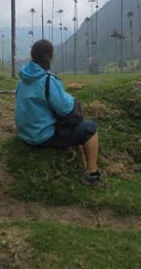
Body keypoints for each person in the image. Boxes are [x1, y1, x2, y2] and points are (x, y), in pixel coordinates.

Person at [15, 39, 102, 187]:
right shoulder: (47, 80)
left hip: (25, 133)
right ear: (47, 57)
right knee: (90, 128)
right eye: (52, 54)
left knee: (75, 123)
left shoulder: (23, 79)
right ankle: (92, 175)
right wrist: (74, 102)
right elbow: (65, 109)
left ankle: (81, 156)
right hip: (41, 136)